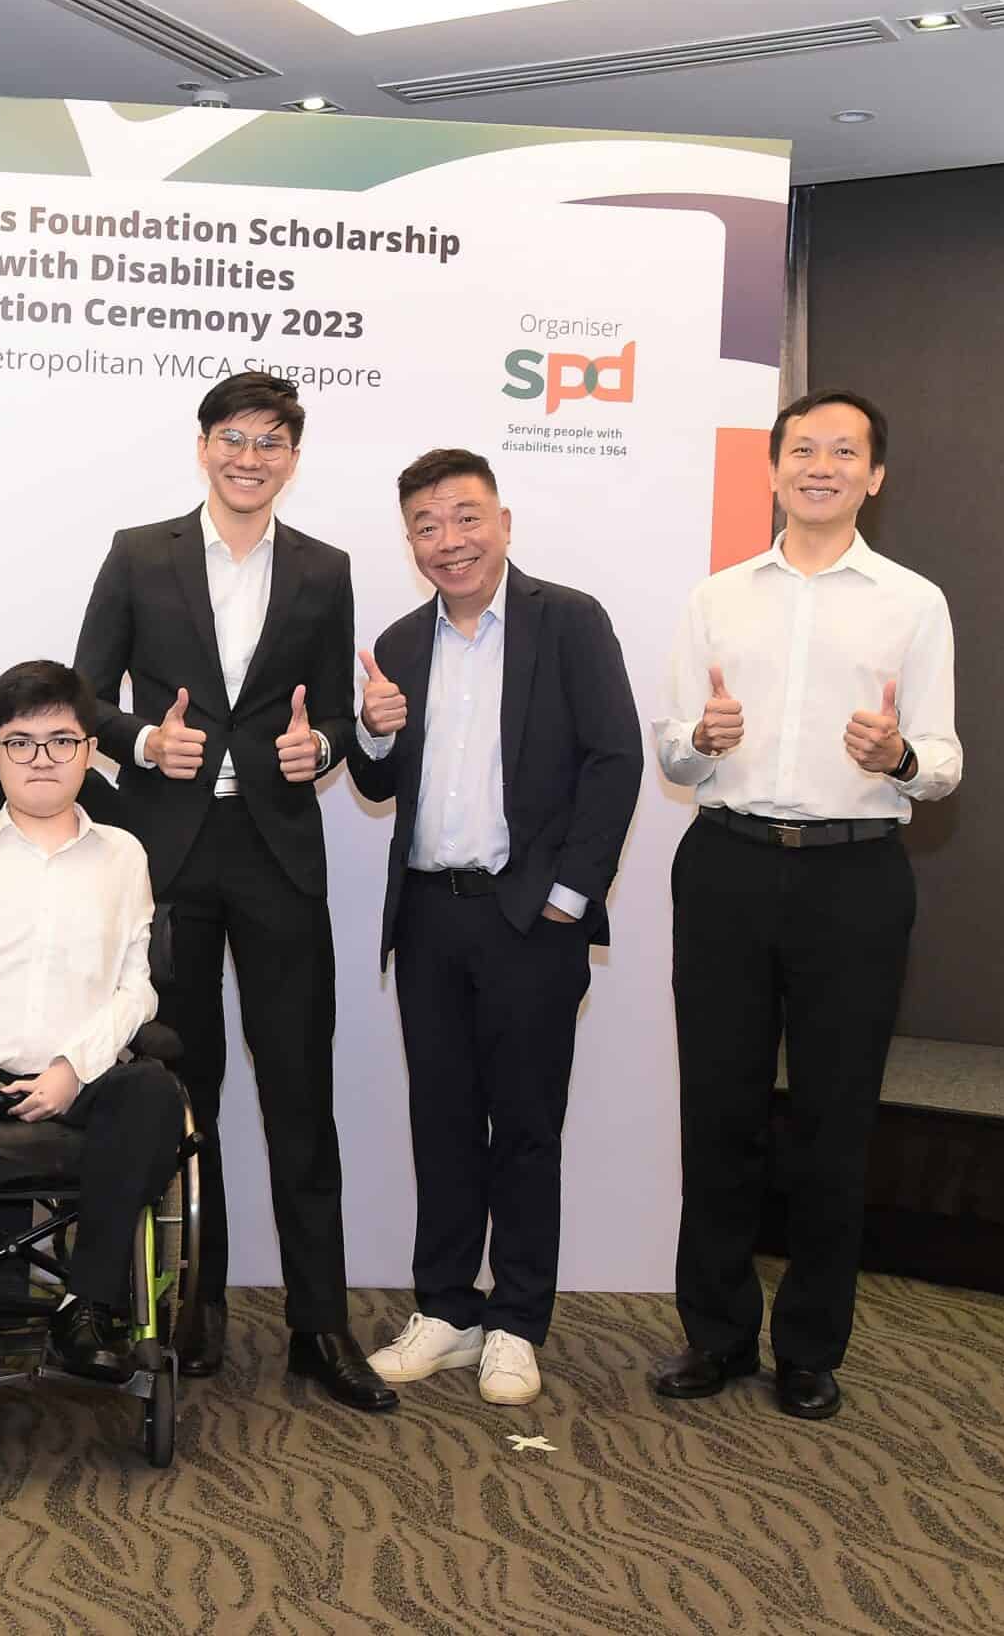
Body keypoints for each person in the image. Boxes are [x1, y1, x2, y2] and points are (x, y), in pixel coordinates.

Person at [73, 370, 393, 1411]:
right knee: (182, 1088)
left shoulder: (325, 569)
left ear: (292, 458)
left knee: (300, 1090)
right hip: (166, 851)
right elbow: (83, 693)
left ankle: (319, 1325)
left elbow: (335, 721)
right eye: (232, 437)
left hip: (277, 854)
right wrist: (138, 740)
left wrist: (323, 747)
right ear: (202, 445)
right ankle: (189, 1305)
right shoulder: (137, 553)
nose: (249, 457)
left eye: (270, 441)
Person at [649, 389, 961, 1421]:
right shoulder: (716, 598)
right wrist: (706, 740)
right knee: (720, 1111)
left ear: (873, 476)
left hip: (854, 877)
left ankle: (812, 1347)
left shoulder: (912, 603)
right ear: (772, 469)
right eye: (799, 449)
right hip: (727, 866)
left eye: (842, 451)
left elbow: (945, 762)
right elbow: (672, 749)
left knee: (833, 1123)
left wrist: (901, 755)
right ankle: (718, 1335)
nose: (817, 465)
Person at [346, 449, 642, 1407]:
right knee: (441, 1122)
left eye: (465, 518)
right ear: (410, 542)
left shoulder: (568, 621)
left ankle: (517, 1318)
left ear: (503, 522)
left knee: (524, 1128)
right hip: (431, 917)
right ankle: (445, 1307)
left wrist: (569, 896)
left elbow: (615, 758)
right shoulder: (398, 640)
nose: (449, 541)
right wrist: (376, 731)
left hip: (529, 918)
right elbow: (379, 783)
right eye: (427, 526)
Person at [0, 661, 184, 1387]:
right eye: (21, 742)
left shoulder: (124, 857)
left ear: (88, 751)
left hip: (81, 1078)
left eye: (60, 740)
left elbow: (134, 988)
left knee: (155, 1095)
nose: (41, 759)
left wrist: (73, 1067)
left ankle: (87, 1308)